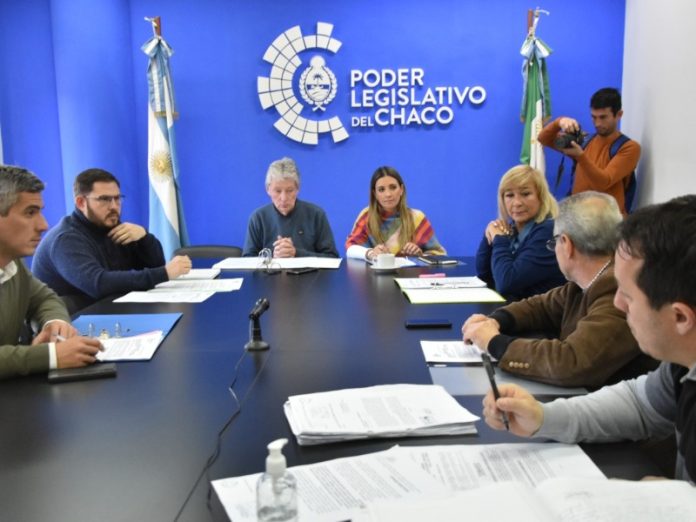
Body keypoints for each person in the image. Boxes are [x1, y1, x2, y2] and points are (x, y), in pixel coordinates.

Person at [482, 195, 696, 483]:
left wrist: (681, 498)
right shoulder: (681, 366)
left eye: (629, 296)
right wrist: (543, 417)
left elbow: (574, 361)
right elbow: (639, 404)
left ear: (680, 317)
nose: (618, 304)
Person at [463, 191, 656, 388]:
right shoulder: (588, 282)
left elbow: (571, 362)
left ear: (566, 244)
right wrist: (496, 320)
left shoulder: (618, 292)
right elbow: (541, 307)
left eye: (554, 242)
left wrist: (494, 342)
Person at [32, 168, 191, 312]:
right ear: (81, 202)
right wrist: (164, 273)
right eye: (105, 199)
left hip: (107, 313)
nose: (114, 206)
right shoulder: (66, 239)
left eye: (117, 198)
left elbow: (155, 266)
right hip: (72, 322)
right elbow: (99, 284)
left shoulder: (113, 227)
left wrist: (145, 238)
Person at [0, 166, 102, 379]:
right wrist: (52, 356)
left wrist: (54, 323)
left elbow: (44, 298)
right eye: (30, 212)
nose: (43, 225)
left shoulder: (13, 264)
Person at [538, 87, 641, 214]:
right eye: (594, 117)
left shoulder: (629, 147)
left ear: (619, 115)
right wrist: (559, 122)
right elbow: (543, 138)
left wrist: (581, 156)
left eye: (603, 117)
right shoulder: (585, 141)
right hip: (578, 217)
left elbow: (604, 182)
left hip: (608, 221)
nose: (597, 123)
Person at [475, 164, 565, 300]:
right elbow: (484, 275)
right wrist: (489, 233)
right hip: (519, 308)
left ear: (541, 197)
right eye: (509, 195)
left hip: (542, 312)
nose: (517, 203)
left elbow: (507, 283)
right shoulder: (513, 229)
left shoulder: (549, 230)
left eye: (525, 194)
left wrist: (499, 239)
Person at [242, 157, 339, 258]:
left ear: (297, 189)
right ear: (268, 190)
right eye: (278, 191)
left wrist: (296, 253)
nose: (283, 198)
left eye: (289, 191)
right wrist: (272, 257)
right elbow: (247, 259)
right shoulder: (258, 218)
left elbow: (332, 257)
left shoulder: (316, 215)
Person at [345, 166, 446, 261]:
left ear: (401, 190)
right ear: (375, 194)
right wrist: (371, 253)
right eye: (381, 190)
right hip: (374, 273)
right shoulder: (367, 216)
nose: (388, 194)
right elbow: (350, 248)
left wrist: (420, 255)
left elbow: (440, 255)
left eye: (393, 187)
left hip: (410, 273)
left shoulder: (417, 217)